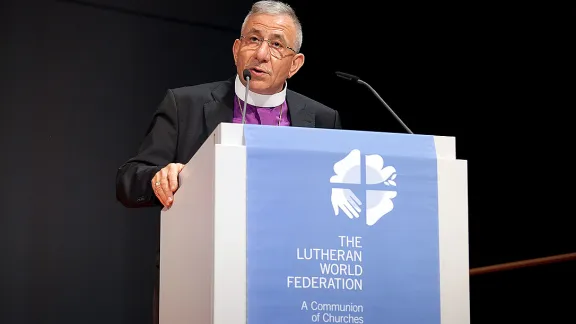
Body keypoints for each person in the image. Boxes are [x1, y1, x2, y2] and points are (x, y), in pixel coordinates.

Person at [115, 0, 341, 323]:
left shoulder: (323, 119)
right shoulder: (185, 105)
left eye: (277, 45)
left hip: (293, 283)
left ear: (295, 64)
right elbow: (128, 179)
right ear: (237, 49)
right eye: (253, 39)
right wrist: (158, 178)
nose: (261, 54)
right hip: (203, 282)